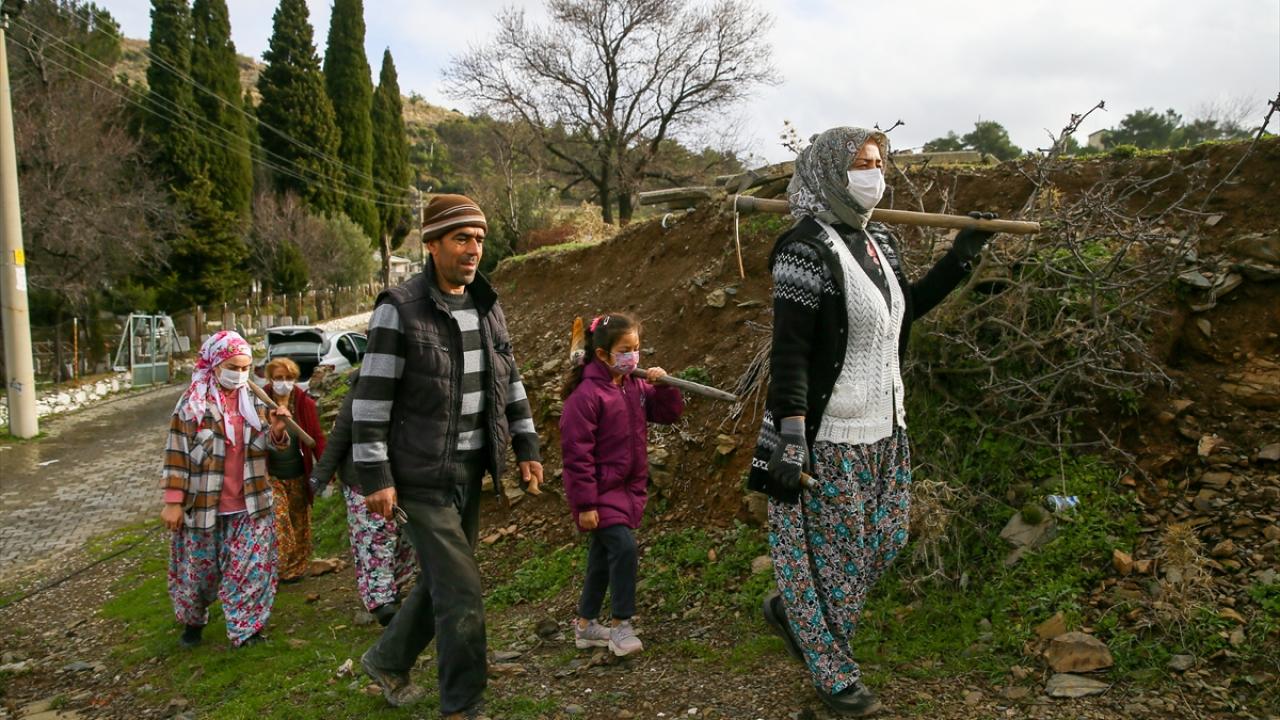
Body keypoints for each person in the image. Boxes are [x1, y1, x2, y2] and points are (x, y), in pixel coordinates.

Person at [747, 127, 997, 716]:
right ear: (833, 171)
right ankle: (833, 675)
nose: (874, 173)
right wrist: (790, 436)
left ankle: (793, 613)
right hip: (830, 435)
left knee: (879, 545)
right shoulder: (801, 249)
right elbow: (791, 353)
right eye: (861, 162)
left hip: (888, 428)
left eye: (879, 162)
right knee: (835, 560)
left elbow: (906, 309)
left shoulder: (878, 238)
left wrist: (963, 252)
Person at [351, 194, 544, 718]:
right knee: (461, 591)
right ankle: (463, 704)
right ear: (432, 244)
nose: (473, 249)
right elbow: (371, 397)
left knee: (444, 582)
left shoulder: (487, 303)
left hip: (469, 469)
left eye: (479, 239)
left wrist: (525, 444)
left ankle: (388, 659)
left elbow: (512, 379)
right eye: (461, 238)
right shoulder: (401, 307)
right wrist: (375, 475)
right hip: (417, 475)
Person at [559, 313, 684, 657]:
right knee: (624, 548)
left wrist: (665, 386)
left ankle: (585, 627)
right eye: (625, 350)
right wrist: (585, 505)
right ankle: (621, 625)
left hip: (628, 489)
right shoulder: (586, 396)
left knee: (603, 556)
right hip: (600, 493)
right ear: (602, 355)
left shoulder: (633, 386)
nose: (633, 356)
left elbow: (667, 413)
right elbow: (576, 455)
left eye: (637, 349)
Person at [160, 330, 293, 648]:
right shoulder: (193, 404)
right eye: (234, 366)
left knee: (249, 570)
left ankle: (246, 630)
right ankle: (192, 623)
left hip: (250, 505)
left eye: (246, 368)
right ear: (216, 365)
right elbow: (176, 453)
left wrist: (276, 432)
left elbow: (267, 450)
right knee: (198, 576)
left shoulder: (256, 402)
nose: (240, 374)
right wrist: (173, 501)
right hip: (203, 507)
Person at [310, 375, 416, 626]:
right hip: (365, 480)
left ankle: (392, 591)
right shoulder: (367, 382)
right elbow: (343, 430)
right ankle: (382, 603)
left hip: (407, 477)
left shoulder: (421, 378)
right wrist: (320, 475)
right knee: (374, 540)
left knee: (405, 541)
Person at [264, 357, 326, 583]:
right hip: (272, 474)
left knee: (299, 520)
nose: (284, 382)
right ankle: (277, 567)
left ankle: (295, 569)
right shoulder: (260, 403)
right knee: (279, 519)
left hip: (299, 472)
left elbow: (317, 438)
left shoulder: (304, 404)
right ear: (270, 379)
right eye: (279, 378)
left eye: (288, 378)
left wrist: (325, 470)